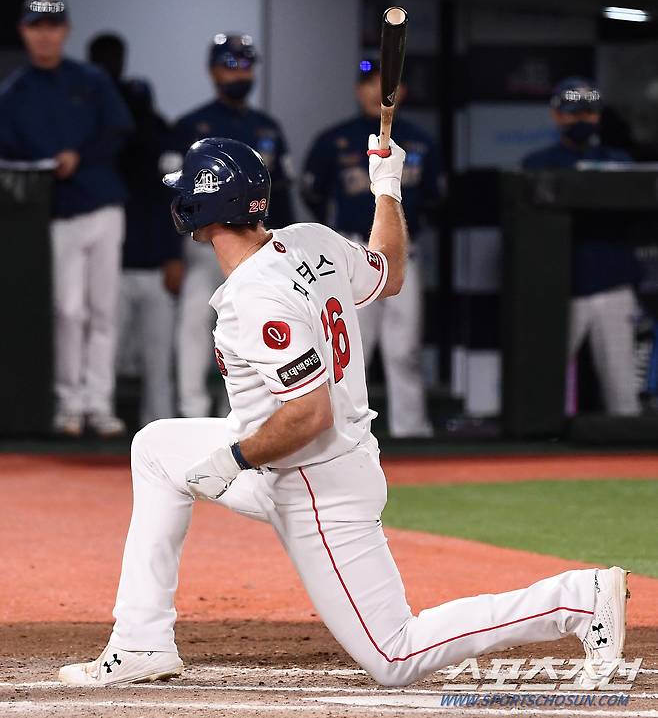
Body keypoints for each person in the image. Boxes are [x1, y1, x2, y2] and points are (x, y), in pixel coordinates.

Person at [59, 135, 626, 689]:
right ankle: (140, 643)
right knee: (157, 447)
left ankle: (577, 600)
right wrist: (387, 189)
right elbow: (390, 272)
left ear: (204, 208)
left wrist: (233, 458)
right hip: (295, 461)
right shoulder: (312, 240)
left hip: (316, 483)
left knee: (394, 655)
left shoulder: (256, 297)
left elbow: (309, 415)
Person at [0, 0, 133, 437]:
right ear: (24, 31)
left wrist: (80, 155)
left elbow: (119, 129)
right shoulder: (14, 92)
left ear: (66, 31)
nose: (45, 35)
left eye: (52, 27)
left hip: (103, 203)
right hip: (55, 212)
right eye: (37, 27)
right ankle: (68, 403)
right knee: (66, 310)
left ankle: (100, 403)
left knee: (103, 310)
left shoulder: (90, 80)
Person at [301, 59, 439, 437]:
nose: (373, 92)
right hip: (352, 252)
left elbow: (435, 198)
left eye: (382, 84)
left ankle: (411, 431)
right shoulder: (336, 139)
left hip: (402, 257)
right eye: (367, 84)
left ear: (401, 91)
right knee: (349, 351)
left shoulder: (420, 139)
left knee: (404, 350)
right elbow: (311, 191)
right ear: (357, 90)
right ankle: (344, 431)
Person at [170, 34, 294, 418]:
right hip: (205, 240)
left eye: (246, 65)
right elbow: (170, 195)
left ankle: (245, 415)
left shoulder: (268, 127)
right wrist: (167, 252)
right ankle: (192, 412)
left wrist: (285, 244)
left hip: (256, 244)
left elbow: (284, 193)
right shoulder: (190, 125)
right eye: (231, 64)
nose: (239, 73)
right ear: (213, 70)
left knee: (251, 324)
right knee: (196, 324)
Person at [523, 78, 642, 415]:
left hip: (613, 280)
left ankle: (629, 461)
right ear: (558, 116)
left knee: (622, 386)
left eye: (588, 113)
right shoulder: (539, 163)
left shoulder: (619, 161)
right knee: (544, 381)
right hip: (560, 287)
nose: (581, 121)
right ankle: (538, 450)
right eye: (574, 114)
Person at [88, 33, 180, 426]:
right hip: (113, 261)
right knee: (103, 346)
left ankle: (160, 425)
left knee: (159, 356)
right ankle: (99, 412)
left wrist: (175, 256)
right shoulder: (96, 129)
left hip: (155, 261)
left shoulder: (159, 131)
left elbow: (175, 200)